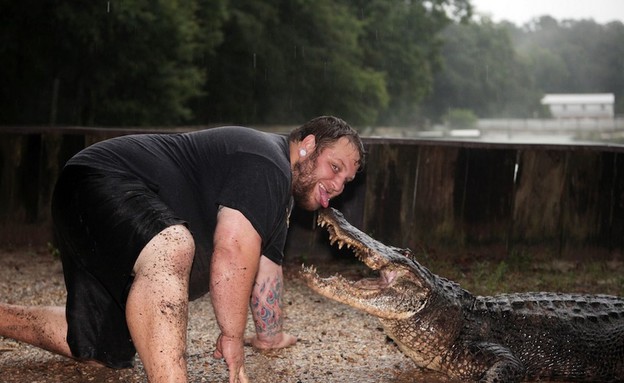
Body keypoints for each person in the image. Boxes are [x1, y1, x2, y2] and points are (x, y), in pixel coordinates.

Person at [0, 116, 365, 383]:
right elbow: (233, 251)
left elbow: (265, 269)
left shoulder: (278, 203)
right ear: (309, 145)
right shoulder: (267, 163)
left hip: (88, 204)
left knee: (101, 345)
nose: (337, 185)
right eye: (334, 168)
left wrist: (270, 336)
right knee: (174, 245)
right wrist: (232, 337)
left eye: (346, 180)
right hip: (100, 179)